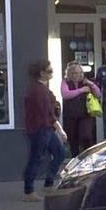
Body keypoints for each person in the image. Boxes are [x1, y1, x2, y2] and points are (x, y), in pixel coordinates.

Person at [22, 60, 66, 201]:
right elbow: (47, 112)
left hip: (44, 128)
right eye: (50, 70)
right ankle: (29, 191)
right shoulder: (39, 90)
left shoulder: (39, 88)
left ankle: (48, 183)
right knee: (36, 158)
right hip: (40, 128)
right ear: (42, 73)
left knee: (58, 153)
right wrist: (60, 129)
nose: (52, 72)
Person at [61, 61, 101, 156]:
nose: (77, 75)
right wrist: (81, 90)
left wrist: (91, 84)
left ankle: (87, 156)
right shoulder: (65, 82)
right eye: (74, 73)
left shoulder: (87, 82)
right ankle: (75, 158)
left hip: (85, 114)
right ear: (70, 74)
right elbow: (65, 94)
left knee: (86, 136)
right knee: (73, 138)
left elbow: (98, 94)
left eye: (80, 73)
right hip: (71, 116)